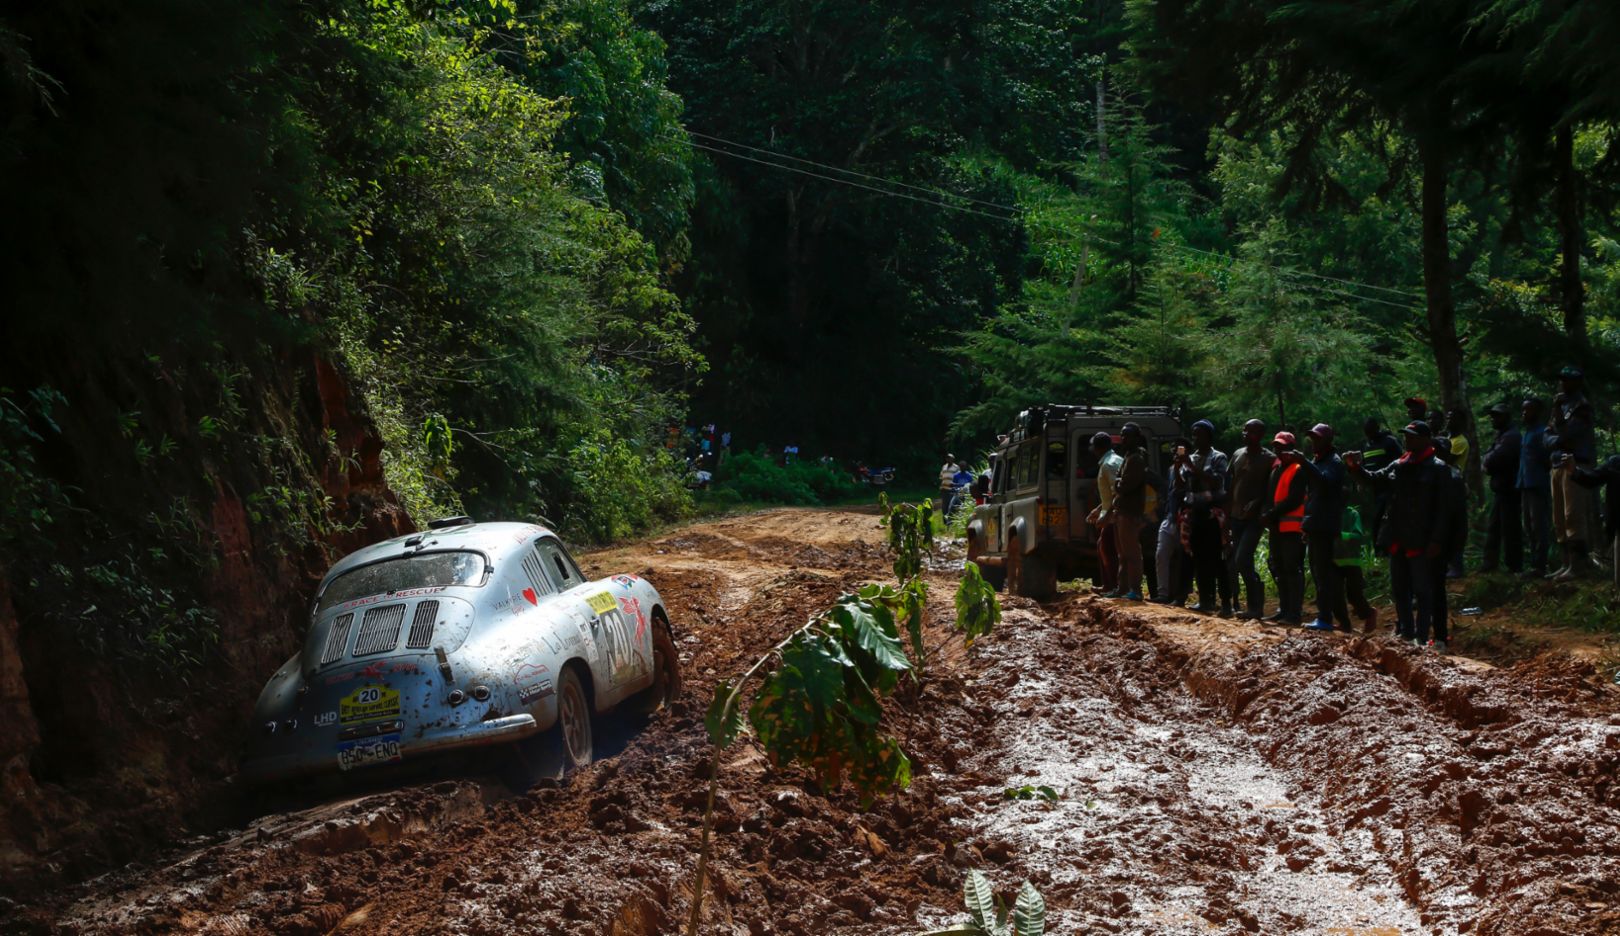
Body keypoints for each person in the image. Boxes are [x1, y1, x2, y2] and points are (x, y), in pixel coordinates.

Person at [1345, 421, 1453, 647]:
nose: (1407, 440)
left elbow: (1445, 510)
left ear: (1426, 439)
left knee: (1423, 591)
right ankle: (1406, 633)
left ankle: (1422, 638)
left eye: (1412, 436)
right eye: (1406, 436)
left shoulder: (1439, 469)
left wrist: (1437, 540)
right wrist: (1356, 468)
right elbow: (1374, 480)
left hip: (1422, 539)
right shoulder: (1398, 465)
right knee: (1400, 588)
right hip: (1397, 537)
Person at [1297, 424, 1347, 632]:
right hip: (1316, 524)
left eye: (1317, 439)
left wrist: (1305, 464)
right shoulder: (1320, 461)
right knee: (1320, 574)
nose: (1313, 442)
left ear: (1328, 440)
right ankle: (1335, 619)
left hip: (1325, 526)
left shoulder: (1334, 462)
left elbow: (1326, 483)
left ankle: (1325, 617)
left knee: (1324, 574)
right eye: (1312, 439)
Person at [1179, 419, 1232, 614]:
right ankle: (1205, 600)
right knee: (1200, 559)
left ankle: (1226, 604)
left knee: (1219, 560)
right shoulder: (1190, 457)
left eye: (1198, 434)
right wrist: (1179, 467)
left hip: (1213, 514)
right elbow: (1182, 483)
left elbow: (1218, 482)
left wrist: (1192, 468)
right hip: (1195, 513)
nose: (1195, 438)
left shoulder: (1219, 457)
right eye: (1193, 434)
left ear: (1209, 436)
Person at [1227, 419, 1276, 620]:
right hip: (1235, 516)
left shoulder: (1269, 459)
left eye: (1251, 431)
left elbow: (1271, 489)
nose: (1245, 434)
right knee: (1239, 563)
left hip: (1254, 519)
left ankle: (1257, 607)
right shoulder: (1238, 454)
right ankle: (1253, 607)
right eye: (1245, 430)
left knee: (1242, 558)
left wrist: (1258, 503)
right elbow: (1230, 483)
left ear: (1261, 434)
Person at [1547, 395, 1598, 580]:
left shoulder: (1582, 408)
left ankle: (1578, 565)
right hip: (1556, 465)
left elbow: (1570, 437)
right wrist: (1558, 440)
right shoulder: (1557, 410)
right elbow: (1547, 437)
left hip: (1574, 465)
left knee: (1573, 515)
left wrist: (1559, 437)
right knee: (1559, 517)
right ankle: (1566, 562)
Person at [1262, 431, 1309, 626]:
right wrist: (1267, 513)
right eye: (1277, 447)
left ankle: (1294, 613)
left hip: (1293, 527)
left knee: (1292, 568)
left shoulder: (1299, 468)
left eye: (1283, 447)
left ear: (1292, 448)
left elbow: (1294, 499)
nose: (1279, 451)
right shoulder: (1276, 470)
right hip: (1277, 527)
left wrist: (1272, 513)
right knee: (1278, 567)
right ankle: (1284, 608)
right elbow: (1270, 496)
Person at [1479, 403, 1523, 574]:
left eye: (1497, 416)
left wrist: (1489, 462)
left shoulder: (1511, 436)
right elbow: (1489, 456)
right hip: (1501, 489)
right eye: (1493, 415)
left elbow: (1496, 458)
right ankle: (1490, 563)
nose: (1493, 419)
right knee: (1495, 527)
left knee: (1510, 529)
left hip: (1509, 489)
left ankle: (1514, 566)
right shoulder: (1502, 435)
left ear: (1506, 417)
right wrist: (1488, 460)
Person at [1112, 423, 1151, 601]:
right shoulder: (1128, 456)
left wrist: (1118, 483)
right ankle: (1122, 588)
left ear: (1136, 438)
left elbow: (1125, 486)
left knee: (1132, 552)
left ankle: (1135, 589)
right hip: (1122, 510)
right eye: (1122, 435)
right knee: (1122, 553)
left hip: (1129, 512)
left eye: (1127, 436)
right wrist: (1118, 483)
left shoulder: (1136, 459)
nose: (1123, 439)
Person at [1154, 436, 1193, 607]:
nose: (1176, 451)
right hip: (1170, 517)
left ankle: (1181, 594)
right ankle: (1163, 593)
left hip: (1184, 518)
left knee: (1183, 559)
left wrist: (1179, 467)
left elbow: (1181, 487)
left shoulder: (1190, 467)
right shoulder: (1171, 468)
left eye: (1180, 448)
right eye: (1174, 448)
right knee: (1161, 554)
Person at [1331, 499, 1378, 633]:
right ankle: (1344, 623)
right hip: (1334, 560)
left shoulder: (1352, 514)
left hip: (1351, 560)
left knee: (1354, 595)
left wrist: (1341, 535)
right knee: (1336, 593)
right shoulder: (1330, 512)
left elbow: (1358, 535)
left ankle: (1369, 613)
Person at [1518, 398, 1553, 577]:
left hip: (1538, 484)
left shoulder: (1541, 432)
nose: (1524, 413)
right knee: (1529, 526)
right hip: (1525, 483)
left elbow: (1548, 459)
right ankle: (1534, 564)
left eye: (1528, 410)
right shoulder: (1527, 433)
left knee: (1539, 525)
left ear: (1537, 412)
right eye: (1523, 410)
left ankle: (1540, 565)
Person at [1087, 432, 1125, 596]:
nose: (1092, 450)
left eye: (1093, 446)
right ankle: (1108, 585)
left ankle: (1115, 586)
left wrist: (1106, 516)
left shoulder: (1108, 465)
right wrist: (1098, 509)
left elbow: (1117, 494)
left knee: (1108, 549)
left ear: (1099, 447)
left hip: (1114, 515)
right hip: (1112, 511)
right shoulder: (1116, 460)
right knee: (1103, 545)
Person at [1360, 417, 1402, 541]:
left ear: (1377, 429)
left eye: (1371, 431)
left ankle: (1383, 548)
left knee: (1382, 519)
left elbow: (1400, 461)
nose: (1369, 435)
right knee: (1375, 519)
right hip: (1374, 489)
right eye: (1367, 432)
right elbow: (1364, 464)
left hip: (1389, 488)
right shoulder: (1366, 445)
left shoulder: (1390, 442)